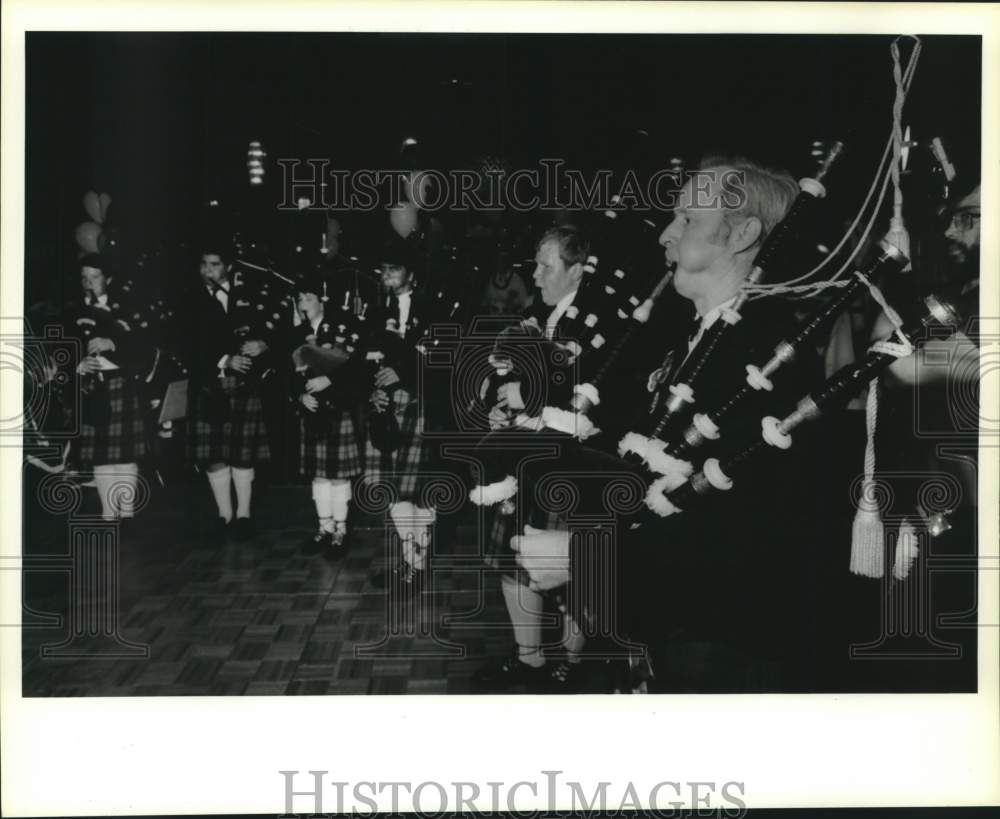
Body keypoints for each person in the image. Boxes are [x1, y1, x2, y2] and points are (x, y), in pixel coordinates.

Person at [513, 158, 827, 692]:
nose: (666, 235)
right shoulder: (698, 335)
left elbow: (747, 530)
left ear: (744, 233)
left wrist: (586, 557)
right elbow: (655, 469)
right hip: (672, 626)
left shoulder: (768, 354)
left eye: (686, 219)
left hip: (723, 643)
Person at [471, 224, 606, 693]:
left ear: (577, 270)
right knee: (516, 562)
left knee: (567, 569)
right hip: (523, 459)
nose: (537, 273)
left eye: (547, 265)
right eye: (537, 263)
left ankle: (571, 661)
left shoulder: (599, 320)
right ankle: (529, 659)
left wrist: (526, 394)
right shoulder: (536, 315)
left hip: (568, 462)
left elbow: (590, 392)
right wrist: (496, 403)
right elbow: (499, 372)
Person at [362, 238, 440, 595]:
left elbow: (443, 363)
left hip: (421, 406)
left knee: (415, 493)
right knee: (392, 491)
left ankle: (416, 566)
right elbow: (361, 356)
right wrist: (371, 389)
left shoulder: (435, 308)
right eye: (383, 269)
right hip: (383, 408)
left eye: (394, 269)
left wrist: (405, 375)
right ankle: (412, 562)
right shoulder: (373, 309)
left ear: (411, 273)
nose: (386, 276)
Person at [185, 247, 275, 541]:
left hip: (243, 386)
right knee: (214, 455)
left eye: (213, 263)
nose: (207, 270)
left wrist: (263, 345)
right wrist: (224, 360)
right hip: (210, 385)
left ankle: (244, 515)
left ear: (228, 268)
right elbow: (186, 346)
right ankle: (224, 515)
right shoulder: (193, 300)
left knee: (242, 454)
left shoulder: (243, 297)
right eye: (203, 264)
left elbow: (272, 331)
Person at [62, 254, 151, 526]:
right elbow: (62, 348)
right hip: (92, 387)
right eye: (84, 278)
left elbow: (144, 345)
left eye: (95, 277)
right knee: (100, 457)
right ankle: (108, 515)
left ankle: (127, 514)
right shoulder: (73, 311)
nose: (89, 283)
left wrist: (113, 342)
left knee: (124, 455)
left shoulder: (127, 308)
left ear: (108, 279)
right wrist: (76, 364)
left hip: (120, 384)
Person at [290, 270, 366, 560]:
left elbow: (356, 368)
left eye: (308, 297)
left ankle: (341, 531)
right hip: (311, 411)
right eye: (298, 300)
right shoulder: (297, 334)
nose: (302, 303)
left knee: (338, 476)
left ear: (322, 301)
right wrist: (300, 395)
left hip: (337, 408)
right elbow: (289, 375)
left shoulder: (342, 328)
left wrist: (329, 382)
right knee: (319, 475)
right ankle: (324, 528)